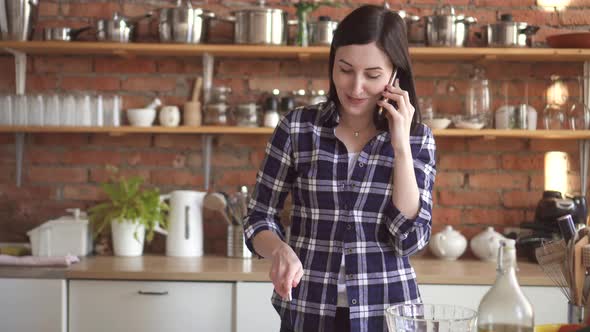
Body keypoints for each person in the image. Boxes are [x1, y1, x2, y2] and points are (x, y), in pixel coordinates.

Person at [243, 4, 436, 332]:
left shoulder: (417, 138)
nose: (356, 87)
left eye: (372, 75)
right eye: (345, 69)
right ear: (332, 63)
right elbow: (258, 217)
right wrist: (278, 249)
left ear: (394, 74)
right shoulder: (298, 129)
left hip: (389, 315)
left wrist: (400, 146)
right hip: (309, 312)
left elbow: (409, 240)